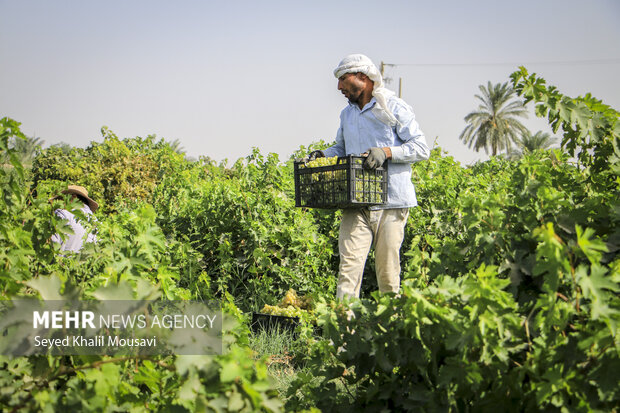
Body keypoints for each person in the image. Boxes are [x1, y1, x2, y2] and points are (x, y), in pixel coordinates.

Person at [309, 54, 429, 299]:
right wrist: (323, 154)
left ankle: (390, 330)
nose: (339, 87)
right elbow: (342, 149)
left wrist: (386, 152)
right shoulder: (347, 115)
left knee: (387, 273)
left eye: (343, 79)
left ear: (362, 77)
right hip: (356, 202)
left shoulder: (393, 108)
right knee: (348, 270)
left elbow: (421, 148)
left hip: (392, 203)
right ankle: (343, 333)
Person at [50, 185, 98, 253]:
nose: (60, 202)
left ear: (74, 197)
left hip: (62, 262)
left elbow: (52, 246)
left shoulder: (62, 214)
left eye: (62, 198)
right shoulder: (96, 222)